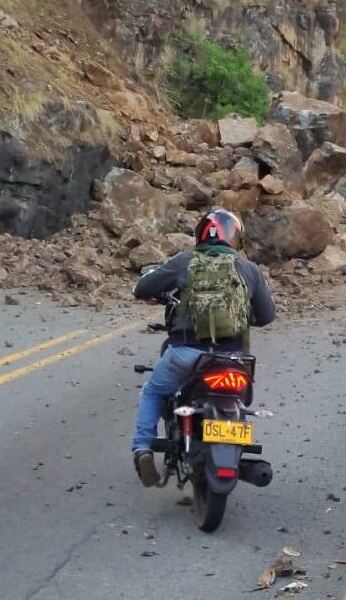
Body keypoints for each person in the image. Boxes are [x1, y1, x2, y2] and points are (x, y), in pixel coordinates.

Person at [130, 208, 276, 486]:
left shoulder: (184, 262)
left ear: (200, 236)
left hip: (186, 354)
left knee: (153, 391)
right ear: (235, 238)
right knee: (239, 402)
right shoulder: (248, 268)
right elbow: (267, 315)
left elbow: (142, 288)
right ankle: (233, 446)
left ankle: (143, 449)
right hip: (234, 359)